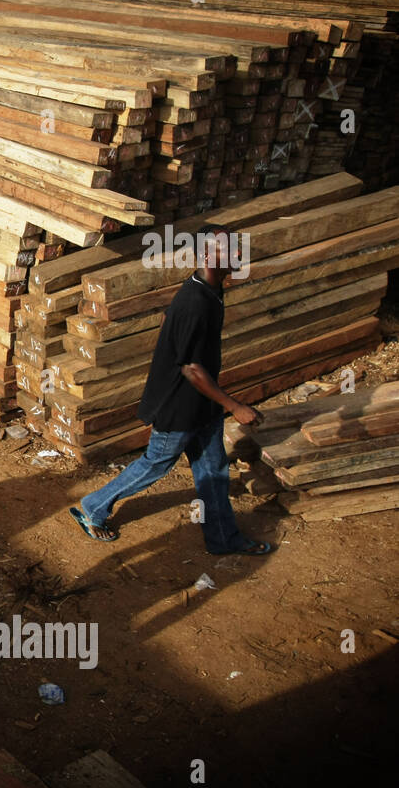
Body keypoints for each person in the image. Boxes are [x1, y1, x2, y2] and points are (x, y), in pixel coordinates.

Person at [69, 225, 274, 556]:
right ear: (208, 255)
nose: (238, 254)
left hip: (201, 404)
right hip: (179, 406)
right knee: (156, 463)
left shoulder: (209, 289)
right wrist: (235, 406)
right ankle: (94, 507)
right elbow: (191, 368)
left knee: (213, 469)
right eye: (230, 249)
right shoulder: (195, 302)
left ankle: (223, 538)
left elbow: (169, 323)